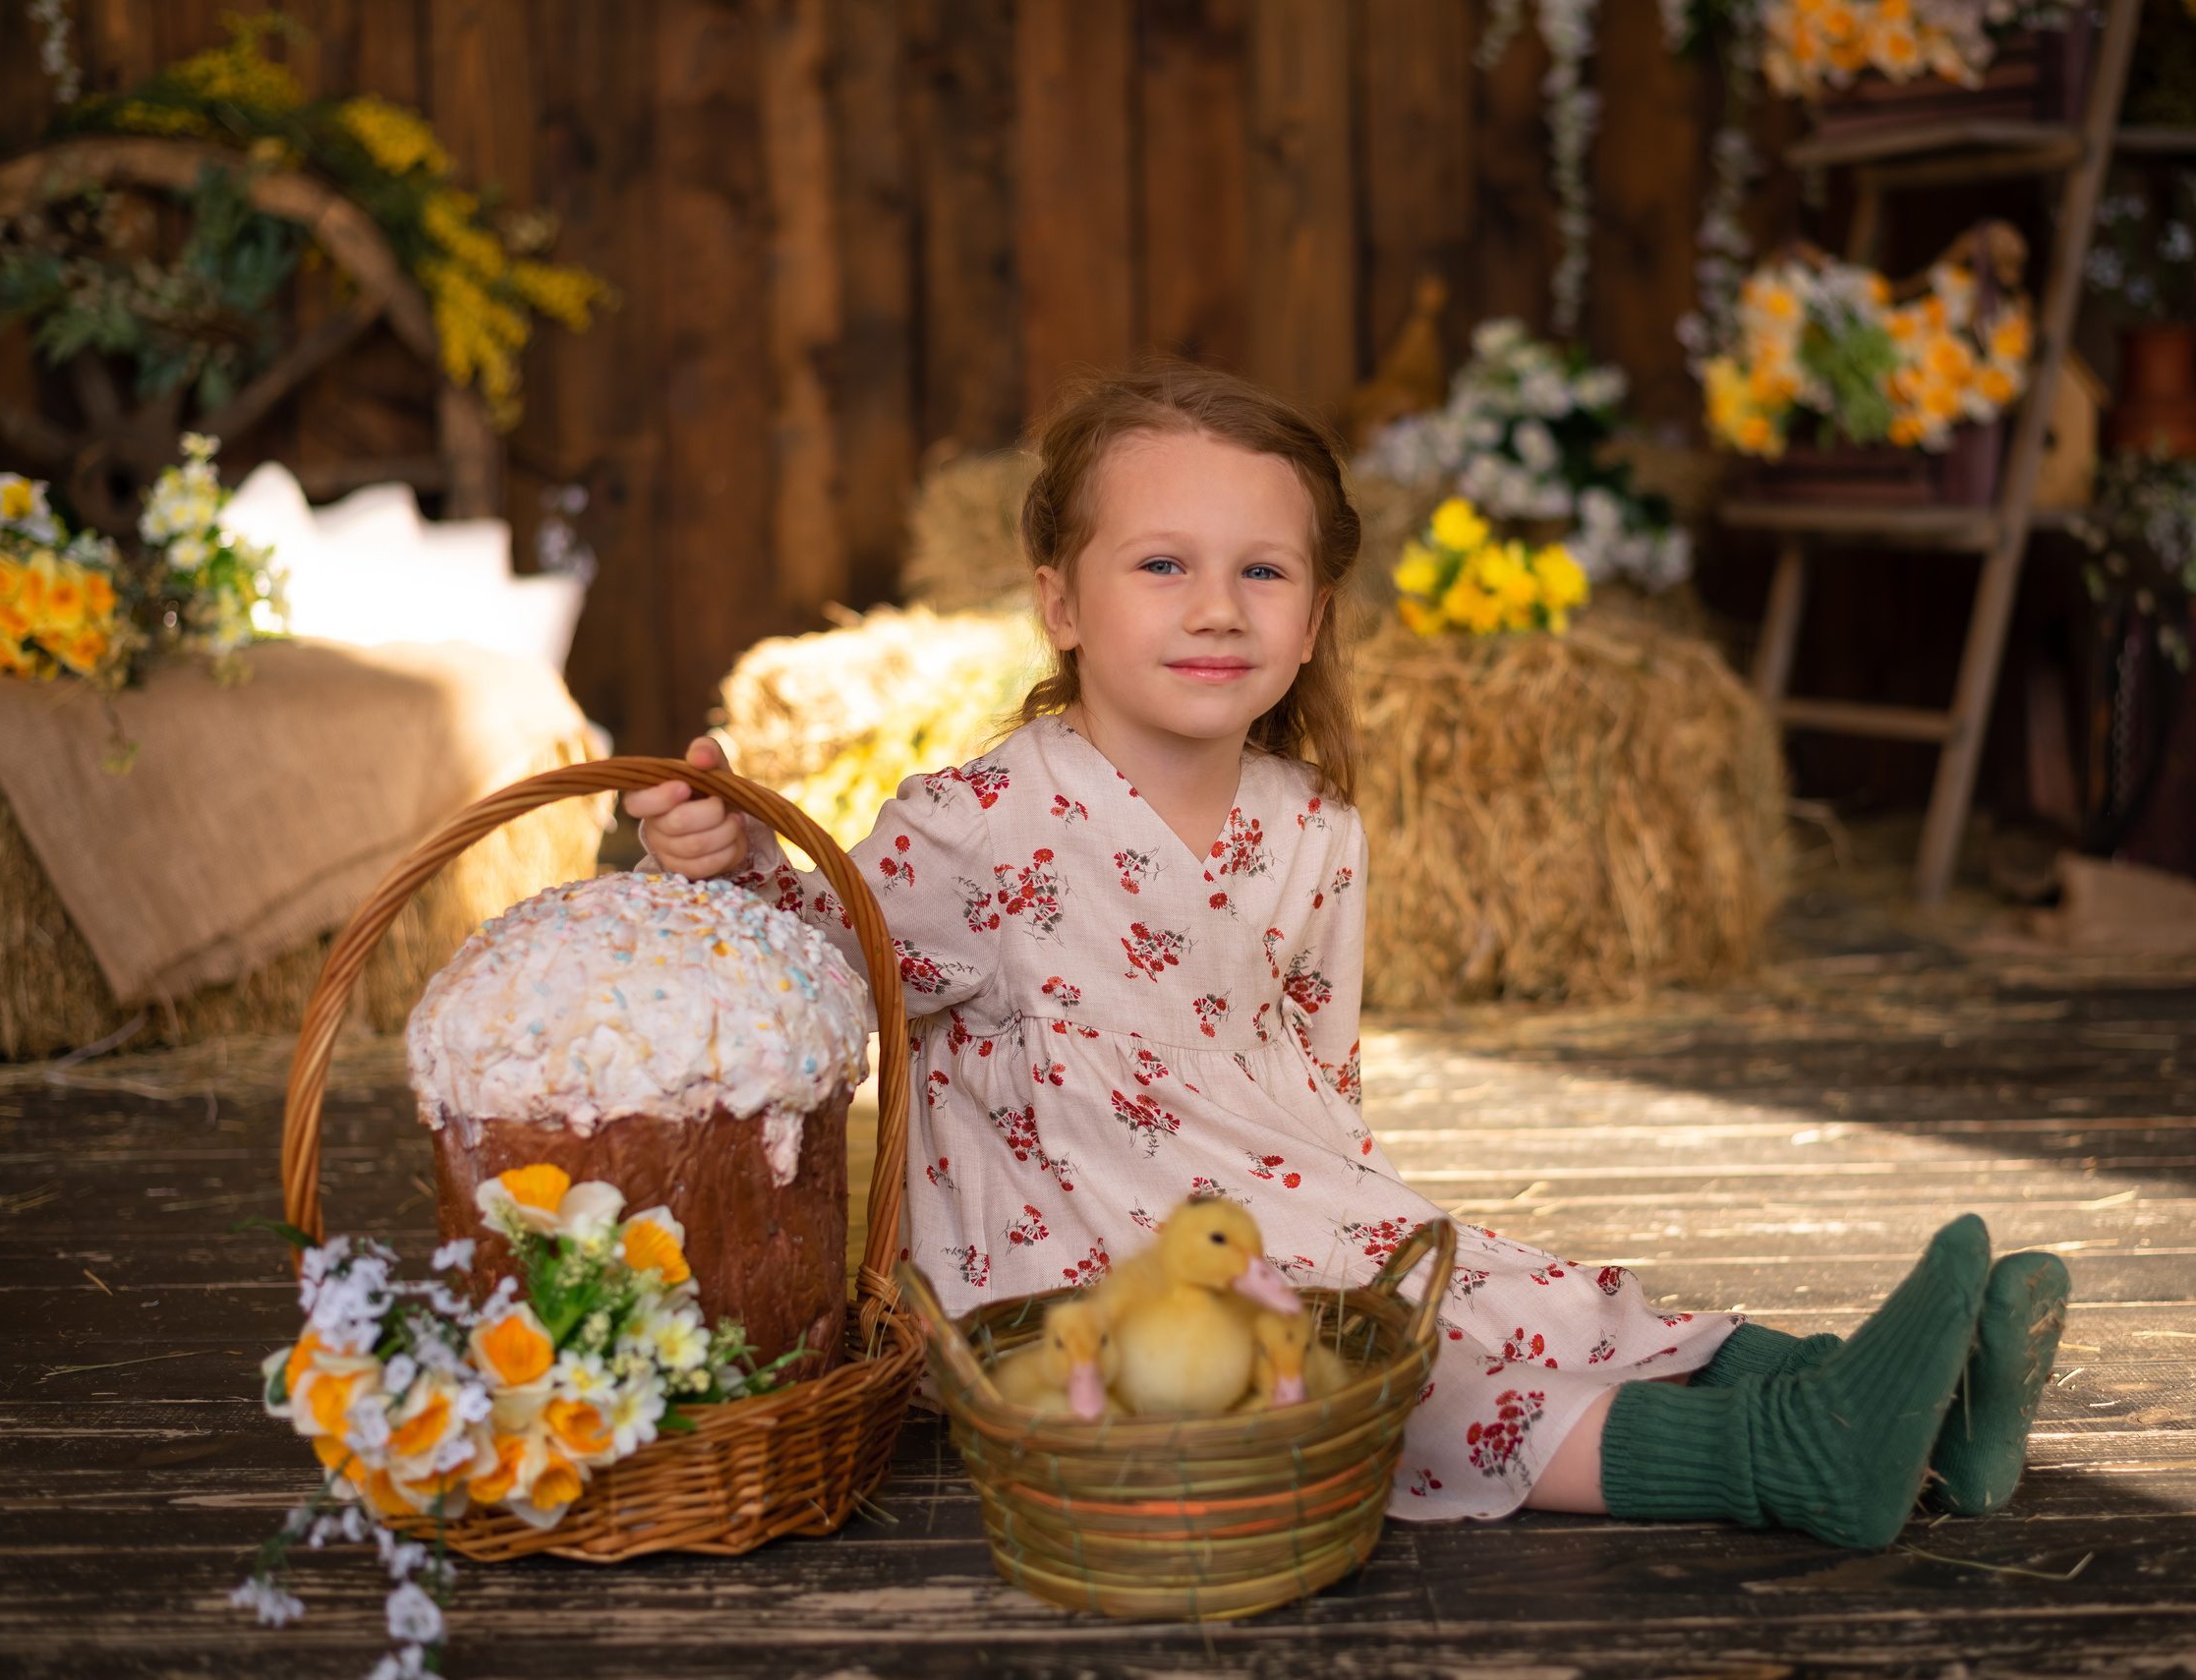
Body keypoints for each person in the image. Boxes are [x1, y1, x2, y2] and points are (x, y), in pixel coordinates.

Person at [626, 361, 2068, 1541]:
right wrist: (732, 857)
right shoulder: (982, 822)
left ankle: (1924, 1411)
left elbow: (1319, 1061)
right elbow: (824, 964)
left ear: (1314, 619)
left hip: (1276, 1200)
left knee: (1513, 1291)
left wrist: (1364, 1225)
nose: (1216, 606)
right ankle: (1785, 1456)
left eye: (1263, 571)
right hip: (1080, 1269)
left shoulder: (1310, 821)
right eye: (1162, 564)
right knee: (1388, 1388)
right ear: (1060, 601)